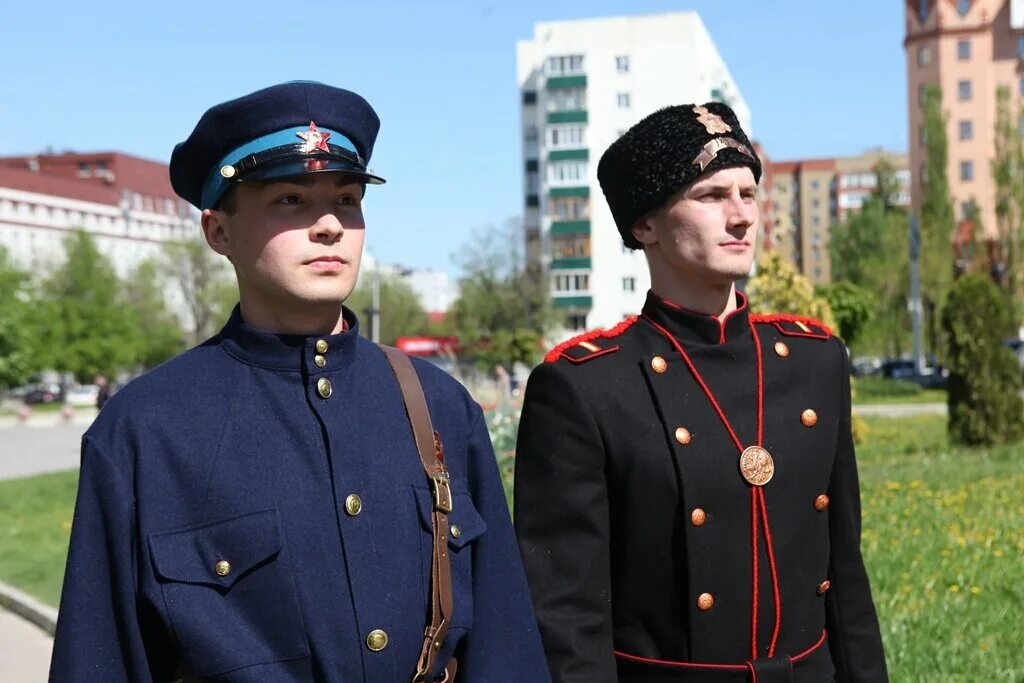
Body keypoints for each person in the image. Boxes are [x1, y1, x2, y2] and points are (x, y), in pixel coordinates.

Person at [50, 81, 549, 683]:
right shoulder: (143, 431)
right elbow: (100, 658)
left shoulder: (440, 405)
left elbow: (505, 643)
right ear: (218, 232)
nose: (330, 226)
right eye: (290, 199)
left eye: (346, 199)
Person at [514, 102, 887, 683]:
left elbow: (845, 576)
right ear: (645, 224)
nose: (741, 216)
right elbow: (567, 618)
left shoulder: (816, 361)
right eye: (711, 196)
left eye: (749, 193)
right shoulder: (584, 386)